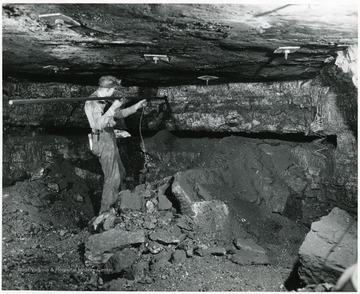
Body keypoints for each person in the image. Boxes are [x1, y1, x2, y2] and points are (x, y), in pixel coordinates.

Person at [84, 75, 147, 229]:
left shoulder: (107, 99)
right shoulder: (92, 102)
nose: (114, 92)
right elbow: (98, 125)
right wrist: (112, 107)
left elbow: (118, 115)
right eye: (113, 90)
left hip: (109, 136)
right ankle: (103, 215)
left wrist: (136, 106)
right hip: (101, 139)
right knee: (112, 177)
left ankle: (122, 207)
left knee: (121, 173)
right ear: (107, 88)